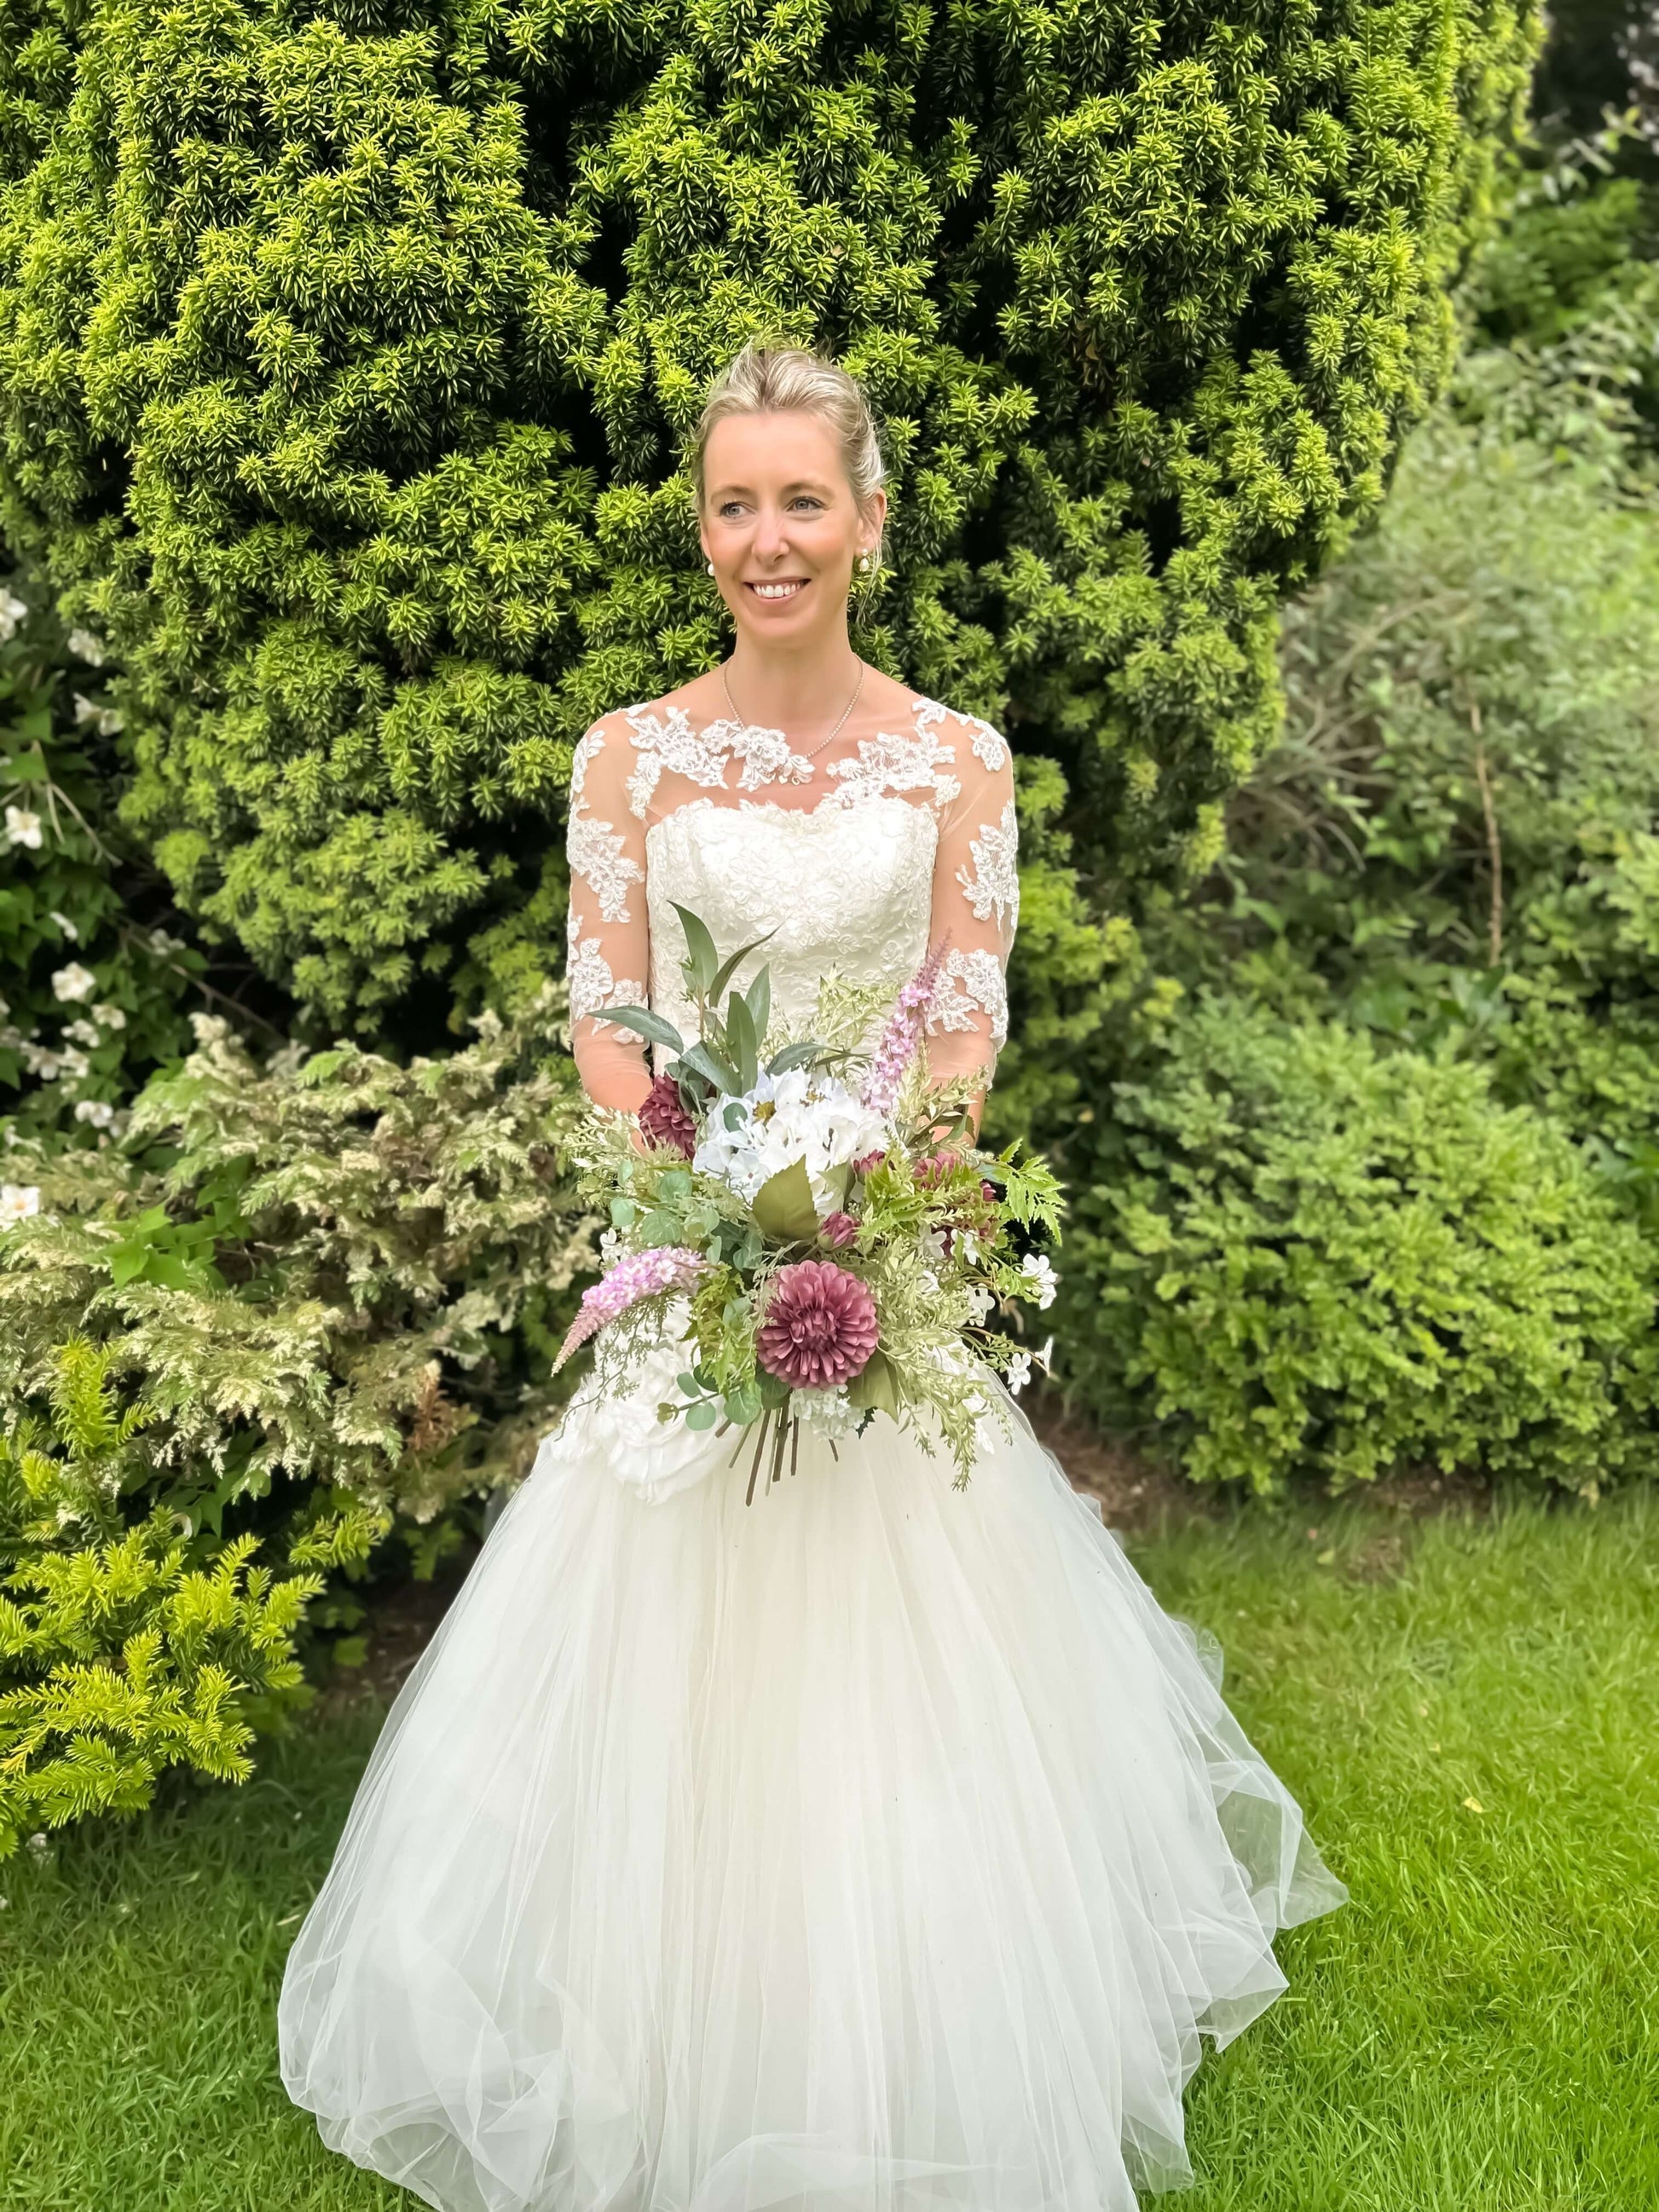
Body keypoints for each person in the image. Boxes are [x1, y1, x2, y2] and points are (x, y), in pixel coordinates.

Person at [278, 344, 1344, 2211]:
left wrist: (867, 1206)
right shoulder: (632, 753)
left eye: (798, 498)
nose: (764, 537)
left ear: (866, 517)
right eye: (731, 501)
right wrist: (714, 1206)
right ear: (701, 526)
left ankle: (905, 2020)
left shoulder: (954, 759)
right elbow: (613, 1025)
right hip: (690, 1254)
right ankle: (639, 2029)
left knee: (899, 1658)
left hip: (879, 1260)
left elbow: (952, 1027)